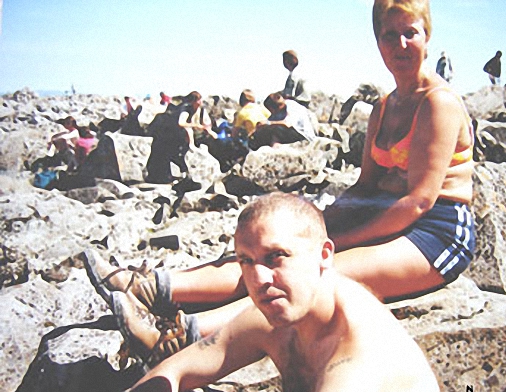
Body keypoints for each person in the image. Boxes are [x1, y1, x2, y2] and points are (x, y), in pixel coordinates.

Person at [84, 0, 475, 358]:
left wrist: (332, 243)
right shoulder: (384, 107)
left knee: (310, 272)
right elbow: (365, 186)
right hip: (386, 212)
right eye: (390, 35)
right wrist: (318, 224)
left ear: (427, 35)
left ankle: (177, 337)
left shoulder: (437, 104)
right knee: (271, 251)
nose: (401, 44)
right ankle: (153, 287)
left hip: (435, 231)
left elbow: (418, 202)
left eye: (411, 32)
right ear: (378, 42)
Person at [99, 192, 444, 392]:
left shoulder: (362, 359)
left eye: (276, 257)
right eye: (246, 261)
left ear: (324, 255)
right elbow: (166, 376)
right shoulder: (277, 318)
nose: (259, 279)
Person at [249, 92, 316, 149]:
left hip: (302, 135)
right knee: (263, 131)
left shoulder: (291, 106)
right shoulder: (281, 109)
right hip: (290, 132)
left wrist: (268, 123)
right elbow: (271, 120)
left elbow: (287, 124)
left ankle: (275, 146)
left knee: (275, 128)